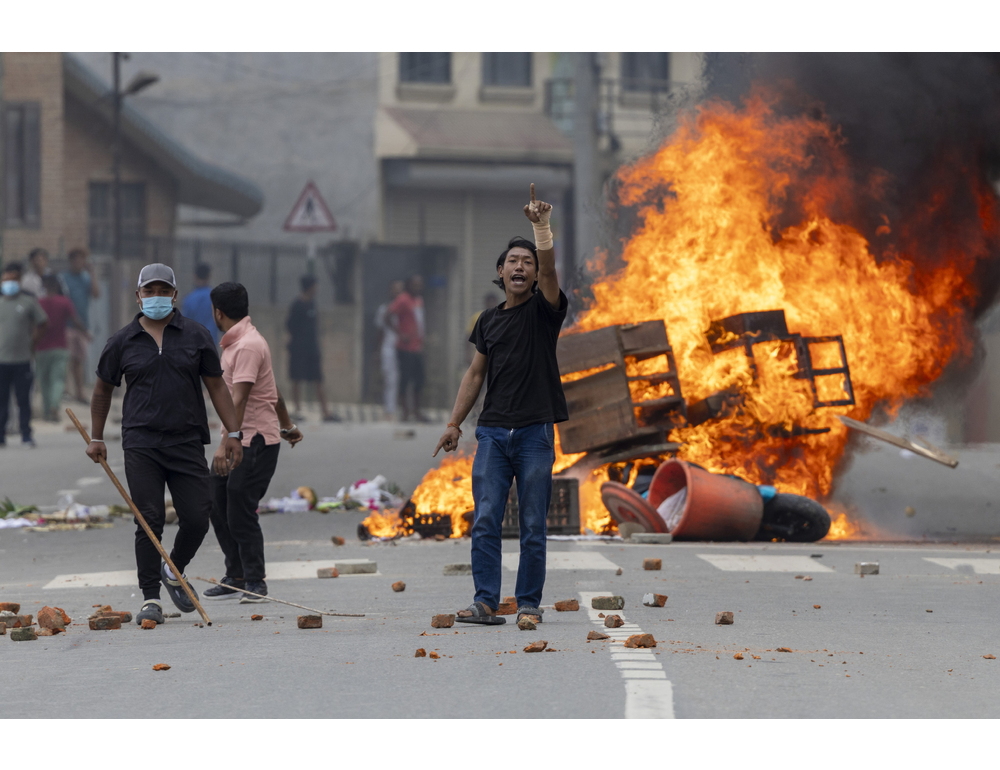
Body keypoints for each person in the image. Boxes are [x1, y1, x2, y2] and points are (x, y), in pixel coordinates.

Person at [434, 185, 567, 627]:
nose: (521, 267)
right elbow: (475, 374)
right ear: (500, 270)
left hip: (534, 432)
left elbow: (550, 273)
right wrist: (454, 423)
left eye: (527, 263)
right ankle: (485, 602)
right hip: (492, 432)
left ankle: (527, 602)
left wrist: (540, 229)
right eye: (513, 261)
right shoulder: (488, 321)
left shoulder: (545, 311)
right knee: (487, 519)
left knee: (531, 524)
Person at [86, 263, 244, 626]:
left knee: (198, 517)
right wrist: (96, 438)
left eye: (163, 291)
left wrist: (233, 434)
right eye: (149, 291)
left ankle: (174, 571)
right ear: (138, 295)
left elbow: (217, 386)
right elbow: (102, 391)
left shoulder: (196, 335)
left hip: (187, 440)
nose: (156, 297)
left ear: (174, 295)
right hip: (141, 443)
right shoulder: (121, 342)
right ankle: (151, 597)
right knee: (149, 519)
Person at [204, 282, 303, 603]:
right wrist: (288, 426)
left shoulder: (248, 346)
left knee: (239, 505)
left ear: (218, 312)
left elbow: (241, 398)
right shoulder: (236, 344)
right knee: (215, 500)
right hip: (241, 438)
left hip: (254, 441)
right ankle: (236, 574)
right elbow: (273, 393)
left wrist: (226, 442)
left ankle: (255, 580)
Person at [0, 262, 47, 447]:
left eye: (12, 280)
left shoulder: (28, 303)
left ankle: (26, 434)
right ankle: (1, 434)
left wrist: (33, 342)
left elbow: (43, 322)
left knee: (23, 399)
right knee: (2, 400)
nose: (9, 284)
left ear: (19, 282)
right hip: (2, 361)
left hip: (22, 360)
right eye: (5, 280)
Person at [36, 275, 87, 422]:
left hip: (41, 348)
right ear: (58, 287)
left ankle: (47, 412)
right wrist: (85, 332)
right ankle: (54, 407)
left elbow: (33, 324)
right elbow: (75, 320)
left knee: (44, 381)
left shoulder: (38, 303)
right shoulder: (64, 302)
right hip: (60, 346)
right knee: (58, 380)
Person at [286, 274, 336, 422]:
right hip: (298, 348)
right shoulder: (297, 304)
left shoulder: (313, 303)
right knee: (297, 379)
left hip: (312, 348)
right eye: (315, 285)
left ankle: (326, 412)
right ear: (310, 287)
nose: (317, 289)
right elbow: (290, 326)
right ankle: (297, 410)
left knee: (318, 379)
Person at [60, 247, 100, 404]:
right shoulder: (63, 278)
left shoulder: (85, 278)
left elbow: (96, 294)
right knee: (65, 359)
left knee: (79, 359)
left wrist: (92, 274)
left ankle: (79, 392)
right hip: (67, 325)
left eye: (81, 260)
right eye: (76, 260)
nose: (79, 263)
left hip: (82, 325)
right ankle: (64, 390)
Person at [390, 274, 427, 422]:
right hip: (405, 347)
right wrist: (400, 333)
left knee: (419, 379)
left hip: (417, 347)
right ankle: (405, 412)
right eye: (415, 285)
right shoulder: (403, 299)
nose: (418, 287)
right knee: (405, 379)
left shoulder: (419, 300)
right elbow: (387, 316)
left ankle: (416, 411)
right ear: (409, 285)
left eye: (419, 285)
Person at [375, 280, 404, 420]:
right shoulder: (384, 309)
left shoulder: (407, 309)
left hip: (404, 348)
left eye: (400, 290)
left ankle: (404, 410)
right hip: (388, 348)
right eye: (394, 290)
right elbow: (379, 332)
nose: (397, 293)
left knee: (403, 378)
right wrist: (377, 352)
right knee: (390, 379)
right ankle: (390, 410)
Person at [182, 263, 220, 346]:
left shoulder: (189, 299)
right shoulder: (216, 298)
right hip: (211, 342)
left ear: (195, 276)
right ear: (209, 276)